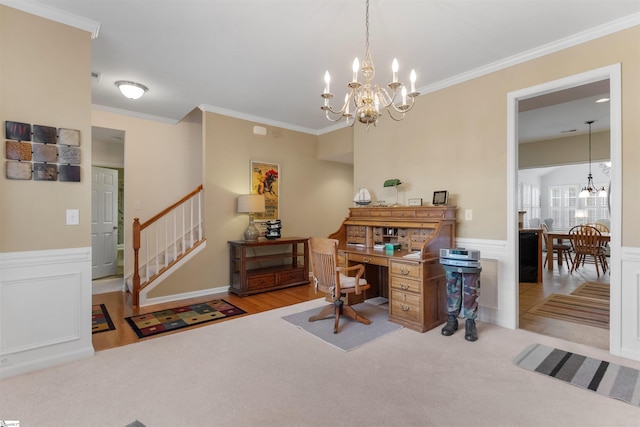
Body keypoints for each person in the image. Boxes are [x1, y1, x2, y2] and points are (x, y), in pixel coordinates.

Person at [441, 269, 480, 341]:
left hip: (470, 260)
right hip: (451, 258)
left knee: (471, 288)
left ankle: (470, 322)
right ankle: (452, 319)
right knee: (452, 286)